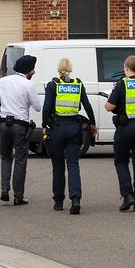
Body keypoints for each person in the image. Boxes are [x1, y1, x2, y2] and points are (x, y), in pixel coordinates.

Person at [42, 58, 97, 215]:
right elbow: (87, 105)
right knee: (73, 165)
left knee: (58, 167)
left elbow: (46, 108)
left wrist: (45, 125)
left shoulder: (53, 85)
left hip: (57, 128)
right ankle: (76, 199)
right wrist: (93, 123)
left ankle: (59, 201)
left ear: (58, 70)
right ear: (70, 70)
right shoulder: (78, 84)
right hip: (74, 127)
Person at [0, 54, 41, 206]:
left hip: (4, 124)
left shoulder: (3, 81)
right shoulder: (29, 85)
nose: (34, 72)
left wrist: (3, 108)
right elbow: (37, 106)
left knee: (6, 157)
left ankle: (5, 190)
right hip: (20, 125)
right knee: (20, 159)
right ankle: (18, 195)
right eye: (33, 70)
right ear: (27, 71)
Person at [105, 55, 135, 213]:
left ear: (127, 68)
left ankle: (127, 195)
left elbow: (109, 107)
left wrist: (112, 98)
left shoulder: (122, 84)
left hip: (126, 128)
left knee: (121, 162)